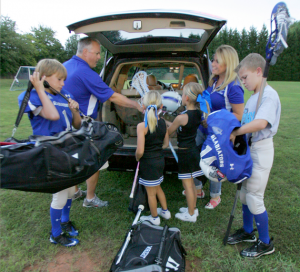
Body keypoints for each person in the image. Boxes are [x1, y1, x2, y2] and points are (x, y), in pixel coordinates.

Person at [63, 37, 143, 208]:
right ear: (85, 52)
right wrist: (136, 105)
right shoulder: (86, 72)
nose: (99, 57)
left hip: (66, 123)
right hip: (83, 123)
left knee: (73, 158)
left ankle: (75, 191)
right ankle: (90, 199)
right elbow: (112, 96)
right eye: (97, 53)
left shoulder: (65, 66)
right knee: (94, 159)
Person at [18, 59, 82, 246]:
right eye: (59, 79)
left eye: (64, 80)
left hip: (68, 147)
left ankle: (64, 221)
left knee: (71, 189)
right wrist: (39, 88)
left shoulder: (64, 94)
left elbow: (76, 124)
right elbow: (52, 115)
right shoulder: (30, 96)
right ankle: (55, 234)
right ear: (43, 78)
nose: (63, 84)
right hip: (50, 150)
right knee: (60, 193)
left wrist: (75, 110)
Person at [227, 53, 280, 258]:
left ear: (259, 72)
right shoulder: (253, 98)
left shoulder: (269, 95)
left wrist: (236, 132)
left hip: (262, 150)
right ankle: (248, 232)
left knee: (255, 197)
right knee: (243, 194)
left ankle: (266, 243)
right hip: (249, 149)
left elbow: (261, 123)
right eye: (241, 78)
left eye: (245, 77)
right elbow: (246, 123)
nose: (243, 82)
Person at [192, 45, 245, 210]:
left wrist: (215, 118)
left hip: (218, 134)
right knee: (194, 158)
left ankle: (216, 196)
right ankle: (198, 189)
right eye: (213, 60)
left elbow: (239, 115)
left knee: (214, 164)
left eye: (217, 61)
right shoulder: (214, 81)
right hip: (203, 129)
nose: (212, 63)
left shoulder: (234, 86)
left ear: (228, 63)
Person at [167, 82, 204, 222]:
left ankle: (190, 214)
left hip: (184, 154)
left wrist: (161, 125)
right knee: (192, 184)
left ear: (187, 98)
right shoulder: (197, 113)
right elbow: (181, 127)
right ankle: (192, 209)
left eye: (183, 94)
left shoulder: (181, 117)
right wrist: (165, 121)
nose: (181, 97)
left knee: (187, 185)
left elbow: (171, 131)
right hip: (193, 151)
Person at [136, 91, 170, 226]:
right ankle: (165, 211)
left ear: (143, 107)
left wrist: (137, 157)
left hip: (148, 163)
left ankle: (154, 218)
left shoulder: (141, 126)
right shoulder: (163, 124)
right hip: (160, 161)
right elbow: (166, 144)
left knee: (151, 194)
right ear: (161, 107)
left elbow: (140, 151)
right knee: (157, 188)